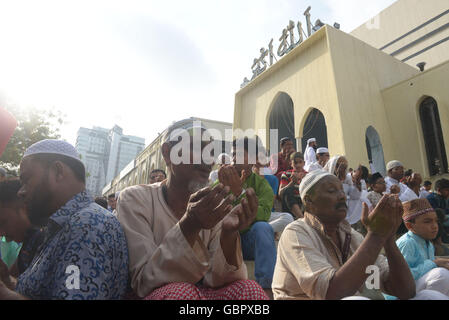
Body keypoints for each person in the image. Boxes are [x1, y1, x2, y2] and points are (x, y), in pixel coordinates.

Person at [116, 120, 267, 300]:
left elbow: (222, 280)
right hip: (167, 296)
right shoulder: (135, 199)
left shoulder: (214, 203)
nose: (208, 160)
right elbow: (144, 282)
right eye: (197, 149)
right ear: (168, 153)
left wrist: (228, 235)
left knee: (250, 290)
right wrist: (190, 225)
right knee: (182, 294)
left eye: (211, 152)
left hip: (202, 295)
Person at [272, 169, 445, 300]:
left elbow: (404, 291)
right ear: (308, 201)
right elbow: (331, 293)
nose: (341, 196)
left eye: (342, 191)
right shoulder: (296, 232)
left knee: (438, 284)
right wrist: (376, 235)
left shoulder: (352, 235)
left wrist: (388, 238)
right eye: (332, 191)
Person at [0, 139, 129, 300]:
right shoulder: (65, 225)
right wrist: (7, 281)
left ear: (58, 171)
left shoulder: (87, 227)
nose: (21, 192)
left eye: (26, 180)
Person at [218, 137, 277, 299]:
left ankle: (265, 288)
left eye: (237, 154)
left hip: (247, 242)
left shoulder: (262, 184)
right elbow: (214, 210)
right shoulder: (221, 180)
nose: (233, 158)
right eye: (232, 154)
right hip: (224, 241)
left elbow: (264, 214)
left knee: (263, 228)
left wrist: (239, 193)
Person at [394, 199, 449, 298]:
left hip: (418, 290)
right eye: (427, 222)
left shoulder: (428, 243)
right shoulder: (407, 243)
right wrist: (434, 263)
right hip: (400, 294)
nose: (435, 226)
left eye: (436, 221)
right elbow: (399, 277)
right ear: (410, 225)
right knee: (441, 275)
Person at [0, 179, 44, 277]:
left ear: (24, 208)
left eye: (3, 222)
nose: (1, 233)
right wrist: (6, 278)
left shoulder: (43, 240)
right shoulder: (29, 239)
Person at [278, 152, 307, 219]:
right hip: (289, 206)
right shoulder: (286, 174)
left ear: (304, 163)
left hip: (304, 204)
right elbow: (280, 194)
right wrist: (292, 183)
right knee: (288, 190)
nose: (298, 165)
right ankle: (301, 218)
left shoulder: (308, 175)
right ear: (291, 164)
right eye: (295, 163)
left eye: (300, 162)